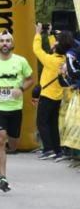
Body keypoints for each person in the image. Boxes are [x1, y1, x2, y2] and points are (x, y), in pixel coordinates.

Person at [0, 31, 34, 191]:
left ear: (12, 44)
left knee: (13, 144)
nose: (4, 43)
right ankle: (3, 177)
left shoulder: (21, 61)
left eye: (7, 41)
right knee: (0, 139)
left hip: (15, 107)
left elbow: (30, 78)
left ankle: (5, 154)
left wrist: (21, 89)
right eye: (1, 41)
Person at [33, 23, 72, 160]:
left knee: (42, 122)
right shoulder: (64, 59)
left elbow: (37, 50)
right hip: (57, 96)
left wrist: (38, 34)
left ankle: (48, 149)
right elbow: (55, 49)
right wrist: (49, 35)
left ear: (57, 46)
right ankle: (58, 150)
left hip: (47, 95)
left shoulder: (51, 61)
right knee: (53, 124)